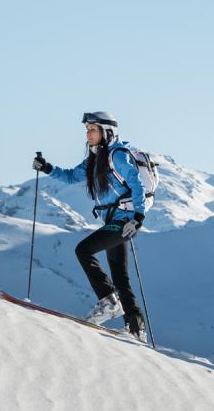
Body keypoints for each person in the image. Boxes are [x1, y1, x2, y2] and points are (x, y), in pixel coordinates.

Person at [31, 111, 148, 340]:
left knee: (84, 250)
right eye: (87, 130)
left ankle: (109, 302)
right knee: (120, 275)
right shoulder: (95, 159)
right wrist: (46, 168)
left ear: (107, 132)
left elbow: (137, 184)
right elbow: (71, 176)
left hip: (124, 221)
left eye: (92, 130)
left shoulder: (117, 156)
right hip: (114, 220)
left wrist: (138, 217)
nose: (88, 134)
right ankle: (136, 329)